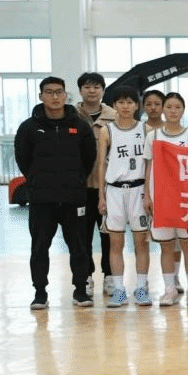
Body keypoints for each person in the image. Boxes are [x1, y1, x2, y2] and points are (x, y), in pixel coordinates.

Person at [15, 77, 97, 309]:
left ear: (65, 95)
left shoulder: (80, 126)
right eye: (49, 92)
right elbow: (23, 160)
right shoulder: (28, 128)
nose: (54, 97)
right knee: (40, 247)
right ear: (41, 96)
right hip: (42, 200)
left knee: (79, 247)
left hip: (74, 198)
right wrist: (38, 181)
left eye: (59, 92)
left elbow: (89, 158)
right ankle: (40, 293)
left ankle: (80, 290)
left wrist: (76, 180)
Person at [143, 92, 188, 306]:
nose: (173, 111)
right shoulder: (153, 136)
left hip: (186, 198)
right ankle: (169, 289)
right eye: (169, 107)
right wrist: (147, 195)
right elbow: (148, 167)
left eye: (177, 107)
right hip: (161, 198)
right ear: (163, 110)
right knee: (166, 247)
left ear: (183, 110)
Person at [97, 86, 152, 308]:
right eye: (121, 102)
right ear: (114, 105)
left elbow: (150, 165)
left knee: (141, 243)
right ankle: (119, 290)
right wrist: (101, 196)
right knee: (115, 243)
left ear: (137, 105)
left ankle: (142, 288)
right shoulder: (106, 131)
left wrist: (149, 193)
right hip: (114, 191)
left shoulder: (146, 129)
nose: (125, 106)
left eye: (130, 102)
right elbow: (101, 165)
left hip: (139, 190)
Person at [76, 71, 116, 296]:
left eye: (96, 87)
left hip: (108, 188)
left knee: (109, 234)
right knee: (81, 236)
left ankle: (110, 275)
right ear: (80, 90)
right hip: (80, 188)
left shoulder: (114, 116)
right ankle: (86, 276)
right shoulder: (71, 115)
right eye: (87, 87)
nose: (92, 91)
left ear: (102, 90)